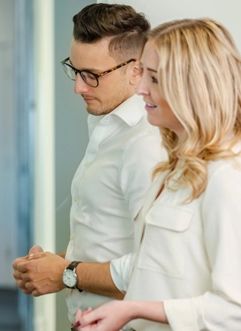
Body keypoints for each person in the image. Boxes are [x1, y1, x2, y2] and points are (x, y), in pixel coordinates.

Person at [75, 18, 241, 331]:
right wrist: (113, 311)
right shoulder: (175, 168)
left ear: (192, 85)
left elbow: (235, 308)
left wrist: (136, 309)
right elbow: (153, 266)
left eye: (153, 78)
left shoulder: (227, 175)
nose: (140, 89)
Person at [12, 3, 165, 322]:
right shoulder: (108, 130)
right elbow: (110, 242)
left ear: (136, 69)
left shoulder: (145, 144)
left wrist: (66, 273)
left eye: (92, 76)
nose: (78, 87)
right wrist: (52, 265)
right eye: (74, 68)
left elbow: (155, 270)